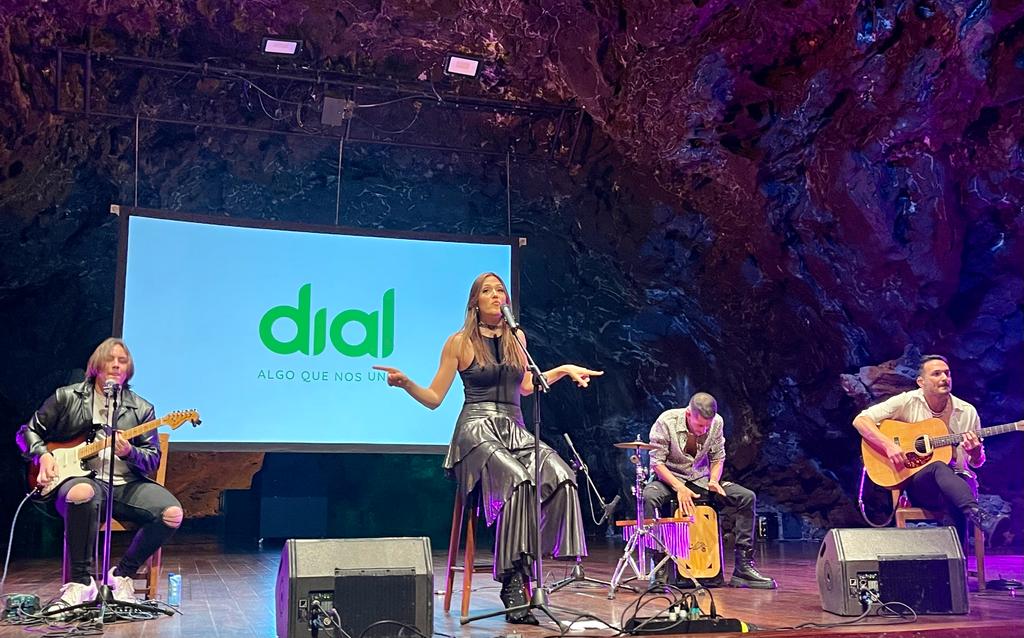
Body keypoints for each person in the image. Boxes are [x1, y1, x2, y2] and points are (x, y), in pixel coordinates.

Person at [373, 272, 601, 624]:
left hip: (514, 429)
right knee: (517, 479)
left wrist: (565, 369)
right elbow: (434, 398)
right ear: (475, 302)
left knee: (561, 474)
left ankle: (529, 562)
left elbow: (527, 386)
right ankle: (512, 583)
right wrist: (406, 384)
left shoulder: (517, 338)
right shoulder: (459, 342)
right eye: (487, 291)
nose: (496, 295)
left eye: (500, 290)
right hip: (476, 431)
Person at [17, 338, 183, 610]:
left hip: (126, 485)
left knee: (172, 514)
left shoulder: (142, 409)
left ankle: (122, 575)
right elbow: (27, 432)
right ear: (96, 365)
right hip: (80, 480)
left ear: (129, 370)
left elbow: (152, 459)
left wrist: (129, 452)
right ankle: (81, 583)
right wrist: (43, 455)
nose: (116, 365)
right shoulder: (67, 397)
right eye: (110, 359)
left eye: (123, 361)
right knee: (83, 492)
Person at [852, 354, 1009, 544]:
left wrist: (975, 452)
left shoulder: (967, 411)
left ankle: (958, 554)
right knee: (938, 467)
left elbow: (976, 462)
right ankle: (981, 519)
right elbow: (861, 420)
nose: (944, 378)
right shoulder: (907, 401)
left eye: (947, 373)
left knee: (954, 492)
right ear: (921, 382)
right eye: (936, 374)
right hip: (920, 485)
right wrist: (888, 445)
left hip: (957, 483)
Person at [643, 392, 777, 589]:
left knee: (746, 497)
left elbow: (718, 457)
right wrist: (679, 487)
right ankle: (658, 567)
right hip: (669, 480)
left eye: (707, 426)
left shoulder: (717, 422)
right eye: (699, 426)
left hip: (700, 479)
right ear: (689, 414)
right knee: (648, 497)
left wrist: (714, 480)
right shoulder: (666, 421)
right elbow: (657, 463)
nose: (703, 430)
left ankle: (743, 568)